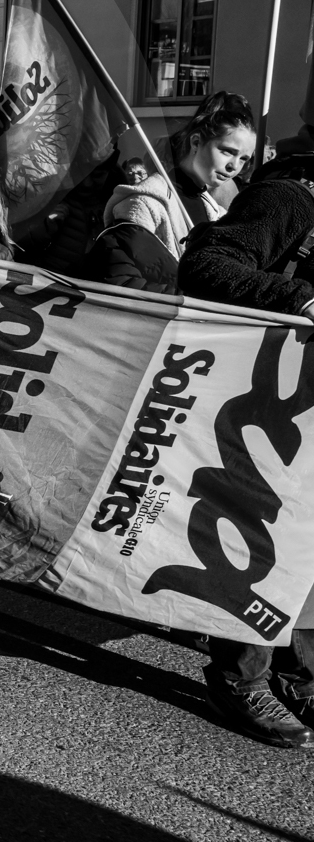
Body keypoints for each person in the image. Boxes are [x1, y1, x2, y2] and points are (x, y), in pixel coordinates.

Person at [177, 124, 314, 748]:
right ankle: (240, 675)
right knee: (267, 534)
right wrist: (303, 299)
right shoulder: (293, 198)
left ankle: (298, 671)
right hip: (267, 405)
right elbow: (205, 263)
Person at [85, 171, 189, 294]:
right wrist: (186, 296)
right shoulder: (138, 207)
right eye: (131, 173)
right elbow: (122, 282)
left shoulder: (213, 208)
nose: (135, 177)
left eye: (140, 173)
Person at [166, 92, 256, 224]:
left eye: (244, 159)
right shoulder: (154, 197)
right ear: (196, 142)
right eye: (227, 151)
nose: (234, 166)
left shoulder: (217, 200)